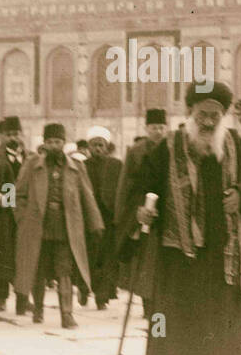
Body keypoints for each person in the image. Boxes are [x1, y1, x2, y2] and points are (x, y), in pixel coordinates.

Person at [120, 81, 241, 355]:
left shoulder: (236, 145)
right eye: (202, 114)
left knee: (217, 319)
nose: (208, 121)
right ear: (190, 112)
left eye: (215, 116)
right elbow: (143, 186)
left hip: (224, 253)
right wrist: (143, 211)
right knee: (181, 318)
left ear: (223, 117)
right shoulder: (168, 147)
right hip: (179, 253)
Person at [13, 122, 103, 328]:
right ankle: (38, 310)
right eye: (51, 142)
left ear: (64, 143)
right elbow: (15, 193)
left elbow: (87, 196)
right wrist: (20, 217)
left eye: (59, 142)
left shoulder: (76, 167)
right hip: (38, 225)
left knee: (65, 270)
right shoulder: (31, 164)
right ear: (45, 143)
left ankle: (67, 314)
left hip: (66, 227)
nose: (55, 146)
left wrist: (95, 223)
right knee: (38, 268)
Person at [114, 110, 167, 314]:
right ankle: (147, 303)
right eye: (154, 128)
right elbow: (125, 184)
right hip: (140, 209)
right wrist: (124, 214)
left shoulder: (170, 148)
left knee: (159, 259)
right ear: (146, 129)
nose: (158, 132)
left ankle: (158, 302)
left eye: (162, 127)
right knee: (144, 258)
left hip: (163, 212)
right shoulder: (136, 151)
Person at [83, 126, 122, 310]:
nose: (97, 148)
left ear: (106, 147)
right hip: (88, 218)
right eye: (94, 145)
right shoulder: (81, 166)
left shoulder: (116, 165)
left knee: (107, 257)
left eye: (101, 145)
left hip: (109, 217)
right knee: (90, 256)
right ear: (88, 147)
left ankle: (102, 296)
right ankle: (84, 289)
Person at [0, 115, 26, 314]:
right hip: (4, 215)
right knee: (4, 255)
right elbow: (4, 187)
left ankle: (23, 299)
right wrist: (9, 200)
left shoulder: (29, 157)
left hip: (25, 215)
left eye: (17, 134)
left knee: (24, 256)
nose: (14, 138)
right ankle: (1, 297)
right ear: (3, 136)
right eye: (10, 134)